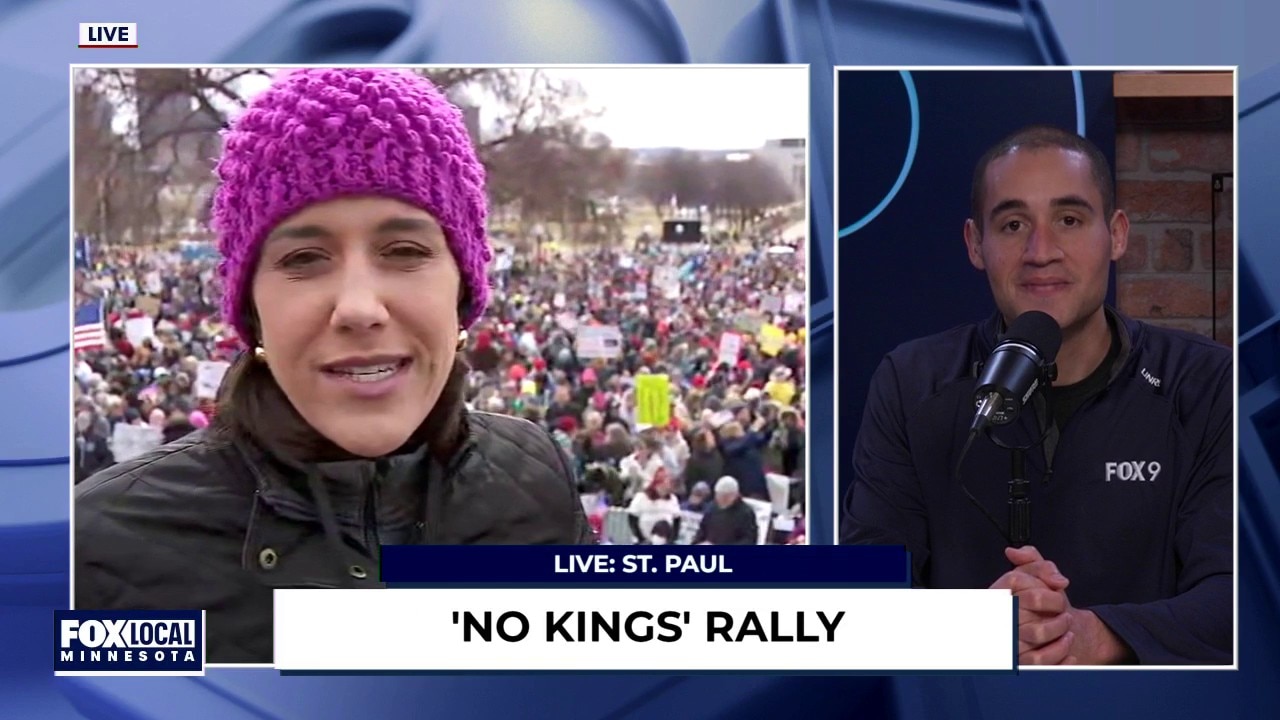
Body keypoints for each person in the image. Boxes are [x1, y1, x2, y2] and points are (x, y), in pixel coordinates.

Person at [74, 68, 595, 664]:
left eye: (405, 251)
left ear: (463, 287)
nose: (359, 308)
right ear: (252, 309)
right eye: (304, 258)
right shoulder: (94, 549)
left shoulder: (536, 480)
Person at [840, 126, 1232, 666]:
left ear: (1116, 236)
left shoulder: (1204, 381)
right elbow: (863, 599)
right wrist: (976, 631)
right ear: (975, 245)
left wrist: (1096, 636)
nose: (1040, 252)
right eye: (1013, 225)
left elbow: (1239, 598)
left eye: (1069, 220)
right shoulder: (911, 382)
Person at [692, 476, 759, 545]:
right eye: (719, 496)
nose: (721, 500)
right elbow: (702, 531)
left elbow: (749, 540)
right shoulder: (711, 509)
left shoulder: (746, 513)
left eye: (725, 497)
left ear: (735, 495)